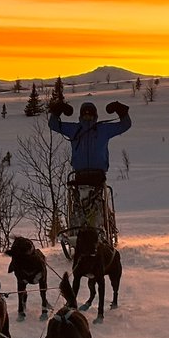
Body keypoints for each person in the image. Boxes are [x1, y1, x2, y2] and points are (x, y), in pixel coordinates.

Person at [49, 98, 131, 235]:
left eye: (90, 114)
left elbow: (125, 125)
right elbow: (53, 125)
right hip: (80, 175)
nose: (88, 117)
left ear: (95, 115)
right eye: (85, 114)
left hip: (97, 175)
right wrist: (57, 111)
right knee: (78, 204)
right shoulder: (74, 129)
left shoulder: (103, 129)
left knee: (97, 203)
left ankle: (104, 226)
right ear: (81, 115)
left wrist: (121, 110)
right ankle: (77, 231)